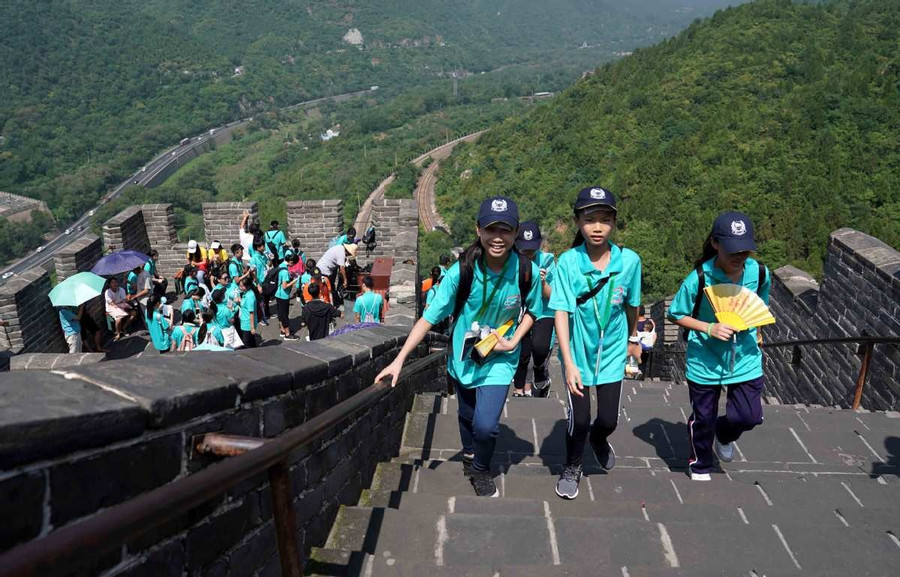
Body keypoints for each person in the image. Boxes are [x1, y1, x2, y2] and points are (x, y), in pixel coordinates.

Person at [375, 196, 543, 498]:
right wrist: (399, 359)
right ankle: (468, 452)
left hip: (500, 358)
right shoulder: (462, 272)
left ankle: (480, 468)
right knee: (466, 414)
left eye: (505, 230)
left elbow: (534, 310)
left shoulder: (524, 270)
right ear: (478, 230)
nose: (498, 237)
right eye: (491, 229)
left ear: (516, 233)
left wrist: (514, 341)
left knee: (486, 426)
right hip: (465, 356)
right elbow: (428, 318)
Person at [550, 187, 642, 500]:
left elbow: (632, 305)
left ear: (614, 222)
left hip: (613, 352)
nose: (598, 227)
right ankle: (572, 465)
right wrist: (568, 362)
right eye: (590, 220)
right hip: (577, 351)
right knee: (580, 420)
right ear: (578, 222)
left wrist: (632, 339)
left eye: (605, 219)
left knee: (607, 420)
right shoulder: (568, 263)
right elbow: (561, 312)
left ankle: (599, 439)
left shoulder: (629, 262)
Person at [667, 211, 770, 482]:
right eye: (733, 250)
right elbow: (675, 313)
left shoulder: (759, 273)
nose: (740, 256)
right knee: (704, 417)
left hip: (745, 356)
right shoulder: (700, 277)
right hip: (705, 358)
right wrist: (709, 328)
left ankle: (723, 434)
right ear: (715, 243)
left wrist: (755, 329)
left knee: (749, 416)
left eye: (745, 250)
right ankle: (700, 463)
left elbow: (761, 305)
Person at [513, 221, 556, 398]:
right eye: (525, 250)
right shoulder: (512, 260)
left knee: (539, 348)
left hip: (543, 311)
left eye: (532, 250)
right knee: (522, 352)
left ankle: (540, 369)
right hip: (521, 311)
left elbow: (552, 296)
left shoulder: (547, 261)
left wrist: (542, 282)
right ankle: (518, 389)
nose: (528, 254)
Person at [276, 255, 301, 339]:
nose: (293, 266)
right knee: (284, 315)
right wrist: (295, 280)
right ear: (291, 262)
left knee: (280, 313)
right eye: (293, 264)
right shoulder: (285, 272)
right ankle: (287, 334)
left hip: (277, 293)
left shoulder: (280, 266)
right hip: (283, 295)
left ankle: (283, 330)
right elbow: (285, 286)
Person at [238, 276, 259, 348]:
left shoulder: (250, 296)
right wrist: (240, 300)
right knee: (251, 341)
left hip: (248, 324)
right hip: (244, 322)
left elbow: (251, 313)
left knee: (247, 344)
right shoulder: (245, 293)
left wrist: (252, 328)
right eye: (240, 285)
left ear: (247, 286)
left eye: (242, 286)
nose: (240, 287)